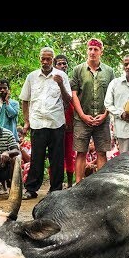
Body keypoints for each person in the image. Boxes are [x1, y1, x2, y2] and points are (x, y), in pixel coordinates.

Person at [19, 47, 71, 199]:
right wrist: (27, 121)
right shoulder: (32, 76)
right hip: (37, 123)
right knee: (37, 158)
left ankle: (55, 190)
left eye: (49, 59)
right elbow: (25, 99)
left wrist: (61, 84)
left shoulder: (61, 76)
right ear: (39, 59)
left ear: (53, 60)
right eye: (43, 58)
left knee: (57, 158)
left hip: (56, 123)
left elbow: (68, 100)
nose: (46, 61)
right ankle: (31, 189)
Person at [70, 38, 115, 183]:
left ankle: (100, 186)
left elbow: (112, 95)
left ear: (101, 51)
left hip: (102, 119)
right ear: (86, 50)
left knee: (102, 153)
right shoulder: (78, 70)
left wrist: (105, 114)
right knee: (81, 152)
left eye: (95, 49)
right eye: (90, 49)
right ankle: (78, 185)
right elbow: (74, 94)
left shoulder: (109, 71)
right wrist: (82, 115)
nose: (92, 52)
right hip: (82, 120)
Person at [53, 54, 76, 188]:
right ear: (55, 66)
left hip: (70, 124)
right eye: (59, 64)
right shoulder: (50, 81)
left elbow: (73, 102)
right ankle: (56, 183)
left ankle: (69, 183)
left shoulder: (71, 82)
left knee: (70, 154)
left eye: (64, 64)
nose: (62, 66)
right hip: (55, 124)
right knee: (56, 154)